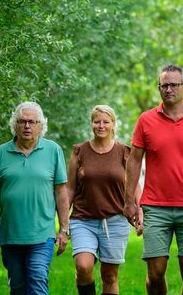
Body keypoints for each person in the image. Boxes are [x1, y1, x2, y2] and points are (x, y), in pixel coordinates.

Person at [123, 64, 183, 295]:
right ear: (159, 88)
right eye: (164, 85)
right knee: (155, 271)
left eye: (174, 85)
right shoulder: (146, 120)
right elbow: (133, 161)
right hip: (155, 206)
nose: (169, 89)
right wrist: (129, 201)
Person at [0, 101, 70, 295]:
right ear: (15, 125)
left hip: (42, 234)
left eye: (32, 121)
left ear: (41, 125)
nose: (27, 126)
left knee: (37, 281)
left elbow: (61, 192)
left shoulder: (53, 150)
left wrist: (64, 228)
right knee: (18, 287)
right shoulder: (1, 153)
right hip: (11, 235)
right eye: (22, 121)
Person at [66, 105, 132, 295]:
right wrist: (63, 222)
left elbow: (134, 185)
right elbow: (69, 187)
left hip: (115, 220)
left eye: (105, 121)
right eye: (97, 121)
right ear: (92, 124)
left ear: (113, 124)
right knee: (83, 266)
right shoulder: (79, 151)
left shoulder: (124, 152)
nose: (101, 125)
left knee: (110, 276)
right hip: (83, 219)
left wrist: (138, 209)